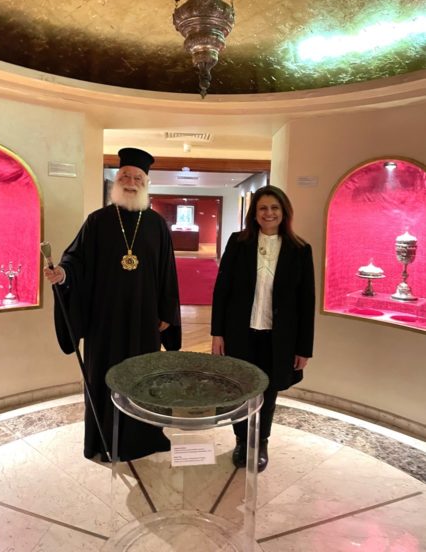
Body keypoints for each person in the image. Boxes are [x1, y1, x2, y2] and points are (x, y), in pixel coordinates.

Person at [44, 147, 181, 462]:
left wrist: (166, 313)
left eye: (137, 178)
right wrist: (63, 274)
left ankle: (146, 437)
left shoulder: (157, 224)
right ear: (116, 181)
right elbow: (75, 260)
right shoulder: (98, 221)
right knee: (103, 375)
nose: (130, 182)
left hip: (145, 318)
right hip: (104, 319)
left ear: (145, 183)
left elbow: (168, 273)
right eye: (125, 177)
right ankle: (103, 439)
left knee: (144, 376)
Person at [211, 185, 315, 472]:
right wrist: (217, 333)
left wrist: (303, 348)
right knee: (240, 389)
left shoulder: (300, 250)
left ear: (284, 212)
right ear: (254, 214)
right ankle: (241, 440)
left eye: (274, 208)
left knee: (268, 392)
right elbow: (222, 290)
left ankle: (261, 441)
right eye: (263, 208)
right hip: (240, 333)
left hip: (278, 338)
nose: (269, 213)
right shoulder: (238, 243)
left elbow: (306, 302)